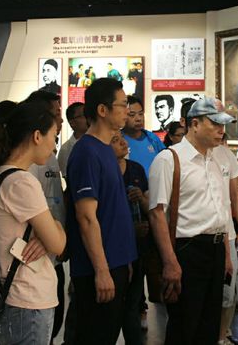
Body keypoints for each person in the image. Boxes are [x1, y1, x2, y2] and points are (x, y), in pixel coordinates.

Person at [148, 98, 238, 345]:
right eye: (215, 124)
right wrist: (170, 261)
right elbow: (157, 214)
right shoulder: (169, 159)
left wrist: (226, 253)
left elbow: (221, 210)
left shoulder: (219, 157)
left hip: (216, 248)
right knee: (185, 326)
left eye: (223, 125)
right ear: (194, 124)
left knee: (209, 324)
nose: (221, 130)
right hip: (187, 249)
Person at [0, 101, 67, 345]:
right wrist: (57, 227)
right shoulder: (22, 182)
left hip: (16, 295)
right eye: (53, 137)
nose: (53, 146)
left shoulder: (2, 174)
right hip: (27, 297)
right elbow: (58, 245)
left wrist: (47, 234)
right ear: (37, 136)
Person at [65, 78, 137, 344]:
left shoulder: (106, 149)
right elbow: (86, 217)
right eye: (123, 104)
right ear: (102, 110)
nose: (128, 111)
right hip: (97, 268)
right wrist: (102, 270)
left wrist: (124, 261)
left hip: (116, 262)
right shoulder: (86, 152)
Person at [25, 89, 67, 339]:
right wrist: (52, 235)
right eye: (55, 113)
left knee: (53, 322)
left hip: (53, 252)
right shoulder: (22, 165)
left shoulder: (49, 155)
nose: (60, 119)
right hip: (34, 255)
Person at [110, 132, 149, 345]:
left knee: (133, 303)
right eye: (115, 141)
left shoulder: (136, 169)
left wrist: (141, 199)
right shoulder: (104, 170)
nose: (124, 143)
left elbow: (149, 206)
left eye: (121, 139)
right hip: (113, 250)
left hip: (138, 247)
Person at [123, 95, 166, 176]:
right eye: (132, 115)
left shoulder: (152, 138)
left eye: (141, 114)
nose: (138, 119)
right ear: (123, 116)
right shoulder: (118, 140)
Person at [58, 102, 88, 174]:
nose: (87, 118)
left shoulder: (97, 141)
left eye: (88, 114)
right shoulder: (66, 149)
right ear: (72, 123)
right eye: (83, 115)